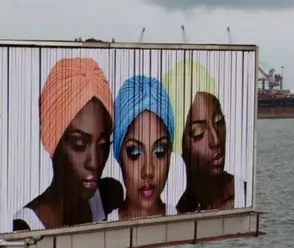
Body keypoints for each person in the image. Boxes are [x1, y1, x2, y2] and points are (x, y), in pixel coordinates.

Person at [12, 57, 121, 231]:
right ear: (51, 140)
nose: (94, 162)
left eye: (102, 144)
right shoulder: (23, 228)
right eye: (79, 144)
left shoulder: (110, 197)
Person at [162, 59, 243, 213]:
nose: (216, 141)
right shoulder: (178, 213)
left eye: (219, 121)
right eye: (199, 133)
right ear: (178, 144)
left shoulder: (243, 196)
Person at [108, 75, 176, 220]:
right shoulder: (100, 236)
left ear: (170, 153)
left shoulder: (188, 228)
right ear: (118, 154)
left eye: (159, 151)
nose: (148, 171)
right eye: (135, 153)